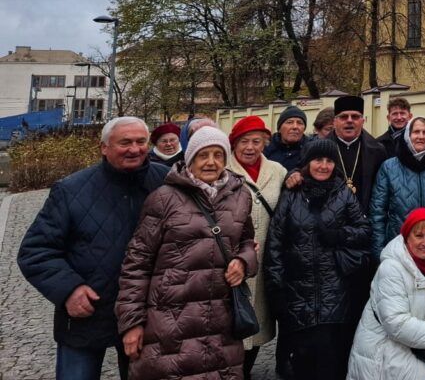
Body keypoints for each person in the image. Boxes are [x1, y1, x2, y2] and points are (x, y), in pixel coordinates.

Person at [18, 117, 168, 380]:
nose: (134, 149)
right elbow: (35, 250)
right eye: (125, 142)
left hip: (146, 313)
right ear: (104, 147)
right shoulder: (70, 190)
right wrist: (68, 289)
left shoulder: (167, 183)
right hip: (86, 314)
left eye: (141, 141)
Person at [116, 126, 258, 380]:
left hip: (221, 323)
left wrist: (244, 261)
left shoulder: (240, 196)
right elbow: (137, 264)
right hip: (169, 323)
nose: (211, 162)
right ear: (190, 159)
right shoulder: (164, 198)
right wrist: (131, 323)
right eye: (203, 155)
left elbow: (247, 240)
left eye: (218, 155)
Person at [264, 138, 372, 380]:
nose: (324, 166)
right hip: (298, 292)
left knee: (330, 360)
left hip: (334, 292)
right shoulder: (292, 194)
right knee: (302, 361)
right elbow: (275, 243)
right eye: (318, 160)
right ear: (307, 162)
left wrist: (339, 235)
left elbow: (365, 231)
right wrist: (276, 287)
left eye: (329, 161)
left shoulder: (343, 193)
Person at [349, 208, 425, 380]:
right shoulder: (391, 268)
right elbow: (396, 324)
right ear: (407, 238)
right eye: (419, 236)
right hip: (386, 349)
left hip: (418, 345)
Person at [226, 115, 287, 379]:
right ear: (234, 143)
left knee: (257, 320)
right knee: (228, 321)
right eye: (244, 141)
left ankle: (246, 371)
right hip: (230, 258)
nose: (250, 147)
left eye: (257, 141)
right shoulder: (222, 167)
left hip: (265, 260)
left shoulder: (278, 170)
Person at [371, 116, 425, 258]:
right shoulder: (389, 167)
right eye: (416, 132)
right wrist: (379, 252)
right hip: (398, 245)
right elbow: (377, 212)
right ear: (408, 135)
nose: (421, 136)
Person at [325, 94, 387, 215]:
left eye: (355, 116)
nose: (349, 120)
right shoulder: (318, 149)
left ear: (363, 121)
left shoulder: (377, 150)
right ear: (334, 122)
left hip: (365, 219)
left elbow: (382, 192)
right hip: (329, 220)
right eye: (343, 117)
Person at [263, 105, 312, 171]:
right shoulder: (266, 146)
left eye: (300, 123)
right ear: (279, 128)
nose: (295, 127)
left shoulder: (311, 148)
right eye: (289, 122)